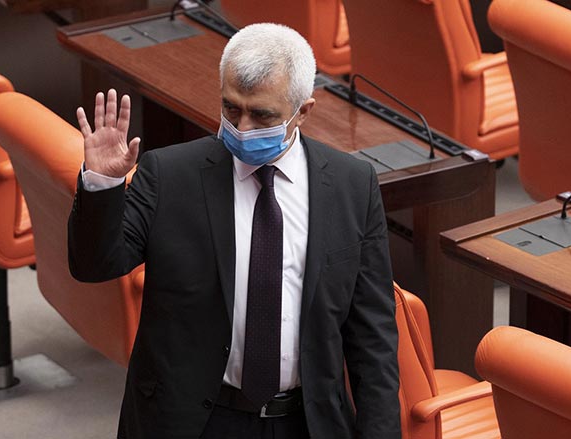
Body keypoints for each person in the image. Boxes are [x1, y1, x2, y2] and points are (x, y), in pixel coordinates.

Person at [68, 23, 400, 439]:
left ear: (304, 111)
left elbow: (374, 339)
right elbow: (94, 265)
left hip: (307, 423)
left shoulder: (353, 186)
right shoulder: (170, 175)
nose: (242, 127)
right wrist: (103, 185)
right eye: (230, 108)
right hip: (192, 422)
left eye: (261, 114)